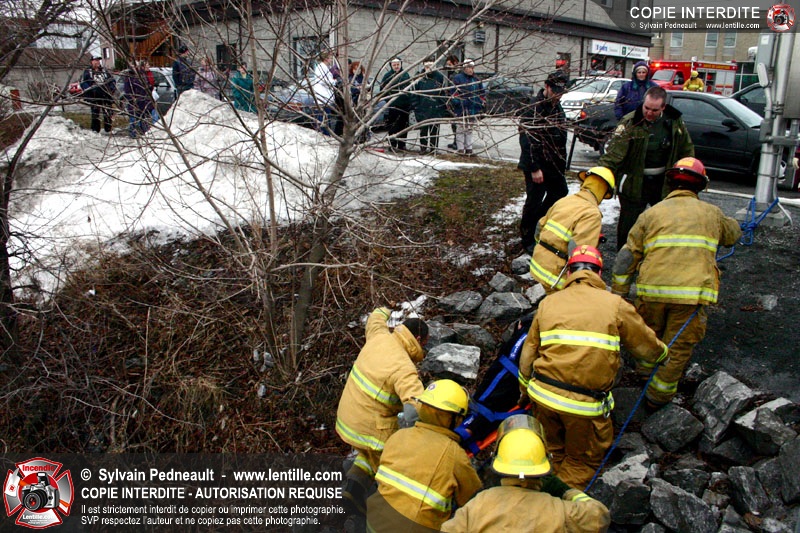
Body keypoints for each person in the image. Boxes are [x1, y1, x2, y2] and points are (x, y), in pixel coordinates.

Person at [518, 245, 668, 489]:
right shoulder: (615, 304)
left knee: (552, 450)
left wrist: (525, 389)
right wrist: (662, 355)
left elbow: (528, 352)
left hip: (543, 396)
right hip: (583, 407)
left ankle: (536, 491)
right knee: (581, 462)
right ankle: (556, 504)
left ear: (569, 272)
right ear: (599, 273)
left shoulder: (549, 302)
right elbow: (645, 345)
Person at [612, 157, 742, 410]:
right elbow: (732, 235)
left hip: (651, 293)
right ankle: (657, 398)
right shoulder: (712, 213)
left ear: (670, 183)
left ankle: (644, 376)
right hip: (690, 298)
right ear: (701, 185)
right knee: (677, 347)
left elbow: (627, 256)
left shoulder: (651, 214)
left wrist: (619, 292)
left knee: (649, 337)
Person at [441, 415, 610, 532]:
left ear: (498, 459)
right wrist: (568, 493)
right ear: (544, 463)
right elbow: (599, 517)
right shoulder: (561, 512)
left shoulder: (478, 504)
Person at [335, 307, 429, 516]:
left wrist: (385, 309)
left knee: (368, 453)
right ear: (419, 339)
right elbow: (415, 408)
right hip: (369, 430)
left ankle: (353, 488)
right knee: (392, 464)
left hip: (347, 420)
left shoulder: (379, 336)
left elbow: (375, 318)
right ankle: (382, 513)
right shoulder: (404, 367)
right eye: (425, 343)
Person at [367, 380, 482, 531]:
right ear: (454, 418)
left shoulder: (398, 436)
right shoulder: (454, 454)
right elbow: (474, 500)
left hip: (373, 522)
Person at [598, 86, 694, 250]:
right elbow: (614, 155)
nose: (649, 113)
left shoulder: (674, 121)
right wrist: (599, 177)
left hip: (663, 183)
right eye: (646, 108)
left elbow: (686, 149)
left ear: (663, 107)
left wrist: (689, 176)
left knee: (663, 222)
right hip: (634, 183)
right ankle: (625, 255)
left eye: (654, 110)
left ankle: (656, 255)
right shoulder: (630, 122)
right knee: (629, 224)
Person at [528, 167, 615, 293]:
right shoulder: (592, 213)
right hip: (555, 276)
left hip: (537, 264)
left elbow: (539, 227)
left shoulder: (565, 200)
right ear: (603, 191)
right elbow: (580, 253)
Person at [518, 70, 570, 250]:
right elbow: (526, 140)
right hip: (537, 163)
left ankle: (539, 221)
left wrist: (562, 163)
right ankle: (527, 237)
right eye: (555, 91)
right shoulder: (534, 108)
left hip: (553, 162)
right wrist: (534, 168)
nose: (558, 95)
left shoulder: (557, 107)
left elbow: (560, 137)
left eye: (561, 92)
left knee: (561, 191)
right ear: (547, 86)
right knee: (534, 200)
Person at [450, 59, 485, 156]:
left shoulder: (476, 79)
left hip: (473, 108)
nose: (470, 70)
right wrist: (458, 102)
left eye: (472, 68)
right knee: (460, 129)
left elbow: (481, 93)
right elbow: (453, 93)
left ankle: (469, 148)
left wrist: (480, 102)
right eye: (469, 68)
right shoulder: (458, 78)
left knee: (469, 129)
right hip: (461, 108)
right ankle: (460, 149)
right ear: (464, 68)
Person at [413, 61, 449, 154]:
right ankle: (423, 148)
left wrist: (441, 107)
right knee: (423, 131)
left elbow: (442, 94)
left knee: (434, 131)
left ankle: (433, 149)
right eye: (427, 66)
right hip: (423, 108)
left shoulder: (439, 77)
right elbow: (415, 95)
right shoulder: (420, 78)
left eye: (431, 66)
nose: (429, 68)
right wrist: (416, 108)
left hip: (435, 108)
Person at [380, 58, 413, 152]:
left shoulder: (405, 75)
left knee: (404, 126)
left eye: (398, 64)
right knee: (393, 126)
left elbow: (410, 89)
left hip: (404, 106)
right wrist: (389, 101)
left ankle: (402, 145)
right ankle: (392, 144)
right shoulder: (387, 76)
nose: (396, 66)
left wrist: (409, 102)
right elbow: (382, 90)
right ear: (391, 65)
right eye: (394, 65)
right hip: (393, 106)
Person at [80, 56, 117, 134]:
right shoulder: (88, 71)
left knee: (108, 112)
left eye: (98, 60)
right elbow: (83, 82)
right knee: (95, 113)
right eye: (95, 60)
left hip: (105, 95)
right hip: (94, 96)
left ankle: (108, 129)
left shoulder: (104, 71)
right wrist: (90, 89)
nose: (97, 62)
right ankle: (95, 130)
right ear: (92, 61)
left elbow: (112, 80)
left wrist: (111, 89)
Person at [122, 61, 154, 139]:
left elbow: (147, 86)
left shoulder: (142, 75)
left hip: (143, 101)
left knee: (143, 119)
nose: (135, 67)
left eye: (136, 66)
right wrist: (132, 99)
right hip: (134, 102)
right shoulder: (129, 77)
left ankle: (145, 134)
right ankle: (133, 135)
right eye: (133, 66)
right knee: (133, 119)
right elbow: (127, 91)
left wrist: (149, 89)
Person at [311, 52, 337, 134]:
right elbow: (323, 81)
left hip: (325, 98)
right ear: (326, 59)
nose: (331, 60)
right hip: (323, 97)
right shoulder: (321, 68)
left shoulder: (325, 67)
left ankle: (325, 134)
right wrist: (334, 82)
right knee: (323, 119)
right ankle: (323, 134)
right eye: (330, 58)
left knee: (326, 119)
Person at [444, 55, 461, 150]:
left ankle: (458, 142)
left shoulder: (458, 74)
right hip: (452, 101)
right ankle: (456, 140)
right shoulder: (452, 74)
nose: (448, 67)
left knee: (457, 123)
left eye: (450, 64)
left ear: (455, 63)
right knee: (453, 123)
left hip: (457, 101)